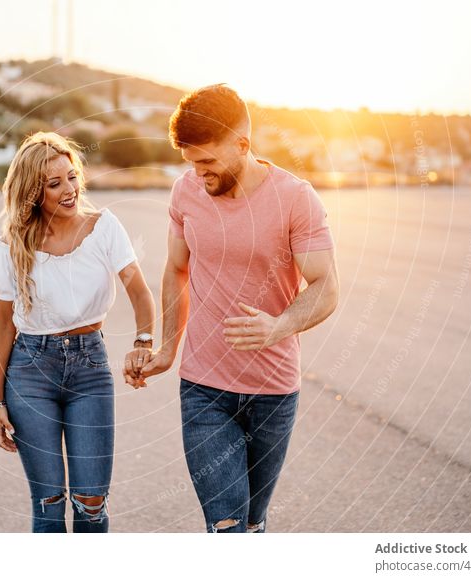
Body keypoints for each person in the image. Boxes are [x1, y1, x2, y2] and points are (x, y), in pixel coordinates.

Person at [135, 85, 339, 533]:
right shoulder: (186, 192)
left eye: (207, 162)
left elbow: (326, 286)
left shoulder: (295, 197)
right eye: (190, 162)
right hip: (204, 387)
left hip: (274, 391)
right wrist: (167, 350)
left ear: (242, 145)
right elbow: (175, 270)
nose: (198, 174)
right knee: (226, 526)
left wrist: (279, 326)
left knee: (251, 525)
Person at [0, 132, 156, 533]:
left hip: (90, 368)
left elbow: (139, 289)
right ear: (32, 192)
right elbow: (3, 325)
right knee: (47, 504)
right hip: (29, 372)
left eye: (72, 177)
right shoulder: (9, 248)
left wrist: (144, 342)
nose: (70, 190)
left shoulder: (104, 228)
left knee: (91, 501)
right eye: (54, 183)